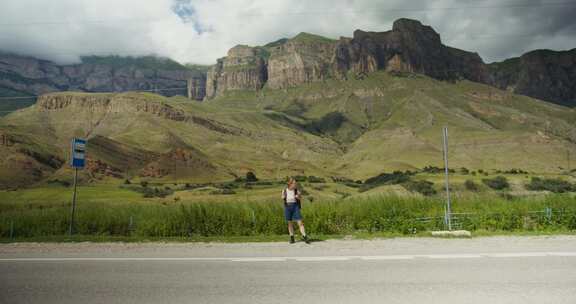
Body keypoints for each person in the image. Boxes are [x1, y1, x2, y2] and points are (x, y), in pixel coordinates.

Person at [282, 178, 310, 244]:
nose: (295, 184)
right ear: (290, 184)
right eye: (294, 183)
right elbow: (282, 197)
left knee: (300, 222)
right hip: (287, 207)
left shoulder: (296, 190)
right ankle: (292, 238)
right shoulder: (284, 190)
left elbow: (300, 198)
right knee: (289, 223)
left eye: (295, 183)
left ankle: (305, 236)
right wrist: (283, 197)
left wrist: (299, 196)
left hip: (295, 207)